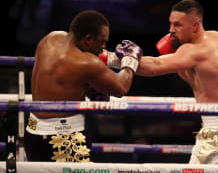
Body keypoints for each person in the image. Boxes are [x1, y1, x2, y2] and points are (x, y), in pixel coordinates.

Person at [127, 0, 218, 164]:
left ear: (195, 26)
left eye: (177, 25)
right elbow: (196, 79)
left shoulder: (192, 51)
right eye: (170, 24)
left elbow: (156, 66)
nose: (171, 31)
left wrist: (118, 59)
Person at [24, 10, 142, 162]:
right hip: (64, 138)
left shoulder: (50, 38)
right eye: (102, 41)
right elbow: (121, 87)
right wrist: (130, 60)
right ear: (87, 40)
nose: (104, 47)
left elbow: (65, 77)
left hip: (33, 132)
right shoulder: (87, 63)